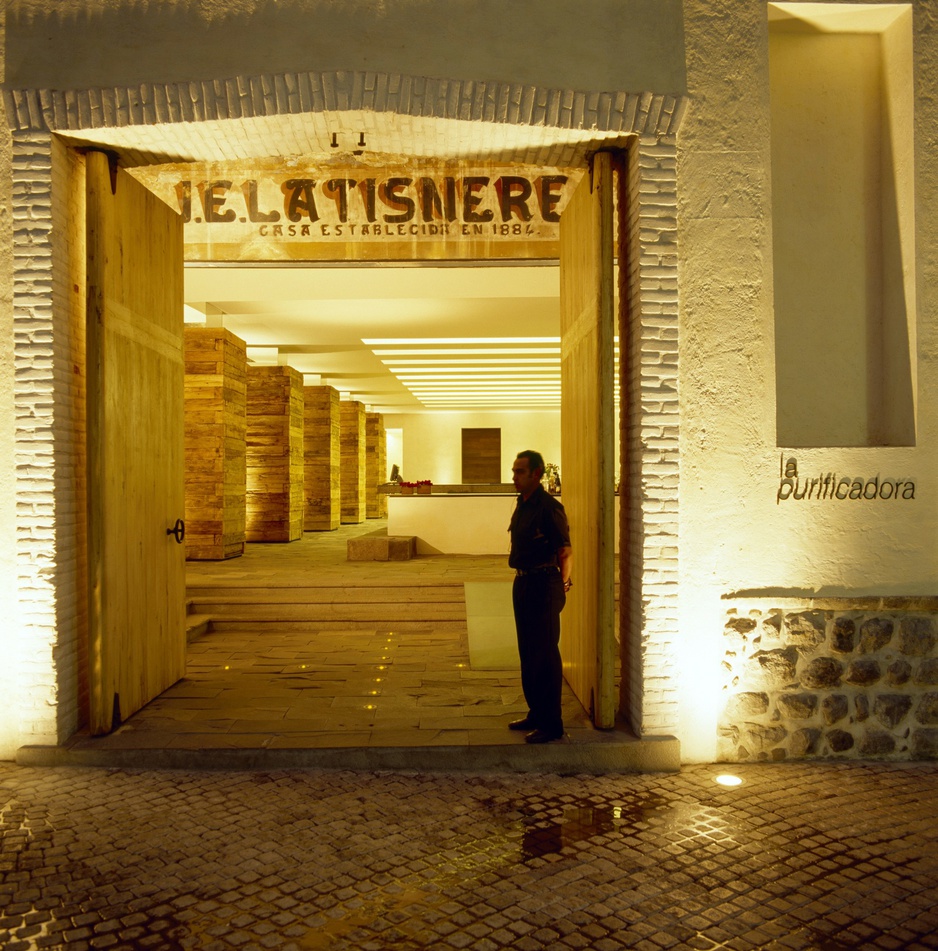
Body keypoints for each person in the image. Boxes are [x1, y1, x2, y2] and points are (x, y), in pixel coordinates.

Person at [507, 450, 572, 744]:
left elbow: (564, 551)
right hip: (523, 582)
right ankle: (536, 712)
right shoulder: (522, 503)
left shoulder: (549, 507)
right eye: (514, 471)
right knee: (528, 652)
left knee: (545, 654)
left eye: (520, 471)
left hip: (544, 584)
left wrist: (563, 582)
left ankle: (552, 723)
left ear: (536, 474)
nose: (514, 476)